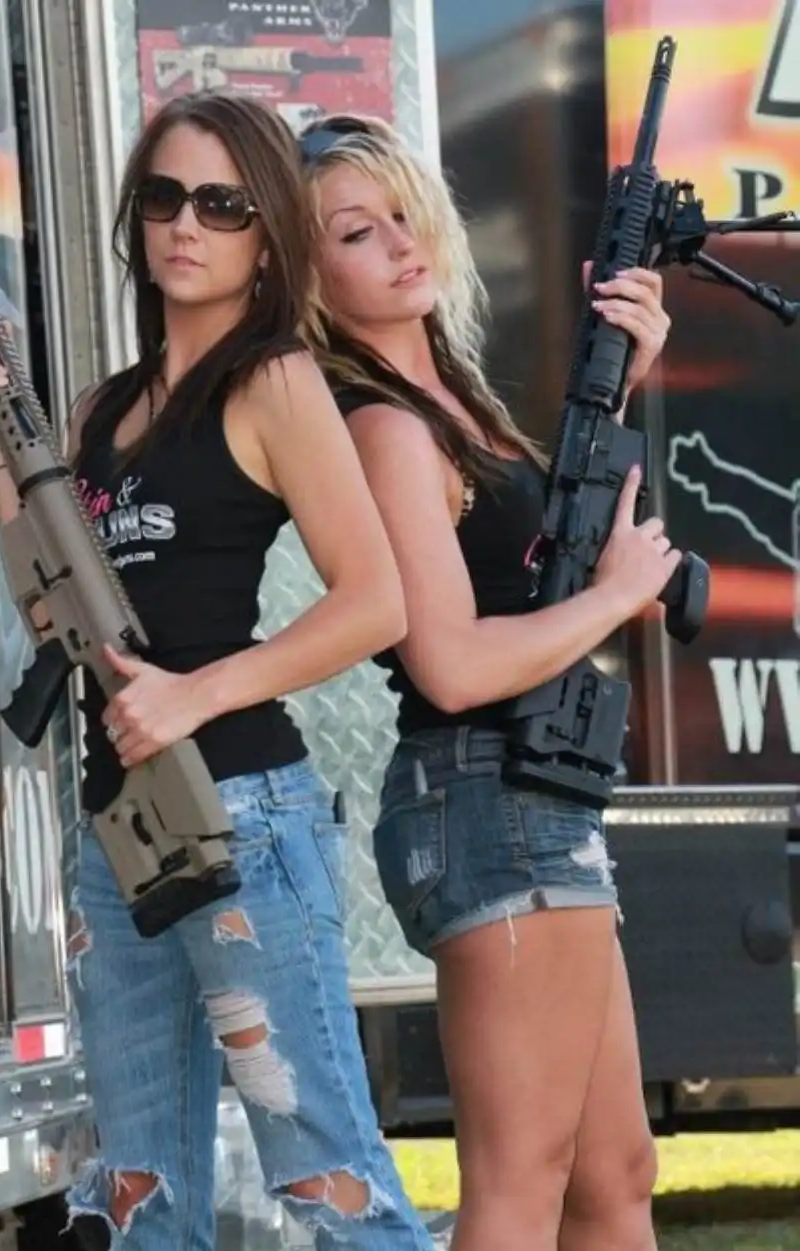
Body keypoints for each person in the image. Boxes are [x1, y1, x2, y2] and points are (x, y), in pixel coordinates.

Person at [0, 93, 435, 1251]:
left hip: (241, 816)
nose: (185, 226)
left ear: (268, 236)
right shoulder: (104, 409)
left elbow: (375, 603)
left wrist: (191, 694)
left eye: (221, 204)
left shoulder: (273, 383)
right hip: (117, 831)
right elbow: (52, 607)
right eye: (163, 198)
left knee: (323, 1181)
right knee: (136, 1195)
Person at [298, 113, 676, 1251]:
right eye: (357, 232)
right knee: (521, 1183)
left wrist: (619, 378)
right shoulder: (384, 427)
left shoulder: (450, 397)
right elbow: (450, 664)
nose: (400, 243)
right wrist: (613, 600)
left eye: (406, 213)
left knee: (612, 1175)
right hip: (484, 794)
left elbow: (539, 568)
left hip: (535, 793)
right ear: (307, 274)